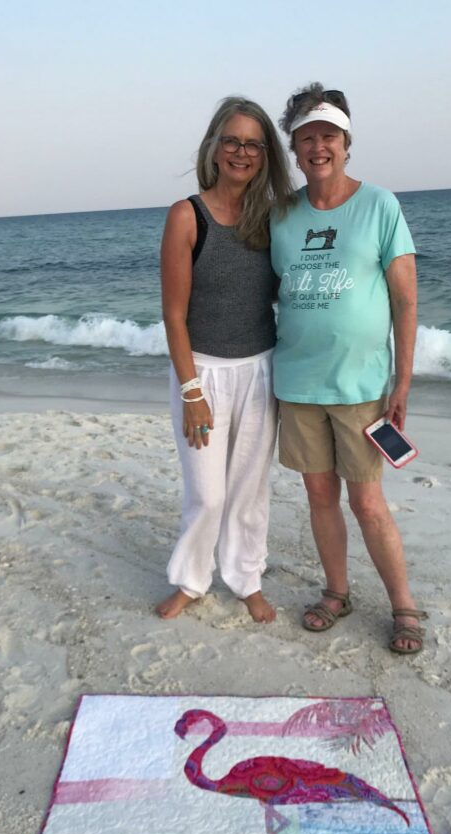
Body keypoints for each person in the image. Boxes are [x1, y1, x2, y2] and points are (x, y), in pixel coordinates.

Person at [270, 83, 427, 653]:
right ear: (294, 148)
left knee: (366, 500)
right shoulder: (281, 214)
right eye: (307, 138)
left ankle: (404, 606)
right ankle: (336, 592)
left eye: (328, 137)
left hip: (361, 386)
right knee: (318, 496)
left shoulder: (380, 205)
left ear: (346, 142)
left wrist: (402, 381)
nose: (318, 148)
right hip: (298, 384)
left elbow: (406, 300)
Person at [155, 97, 293, 623]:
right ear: (213, 146)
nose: (241, 152)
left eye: (252, 144)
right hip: (203, 373)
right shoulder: (186, 216)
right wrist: (192, 392)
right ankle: (191, 580)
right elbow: (173, 314)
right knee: (208, 494)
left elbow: (296, 290)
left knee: (248, 491)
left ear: (265, 154)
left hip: (260, 369)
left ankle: (245, 578)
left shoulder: (274, 217)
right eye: (231, 140)